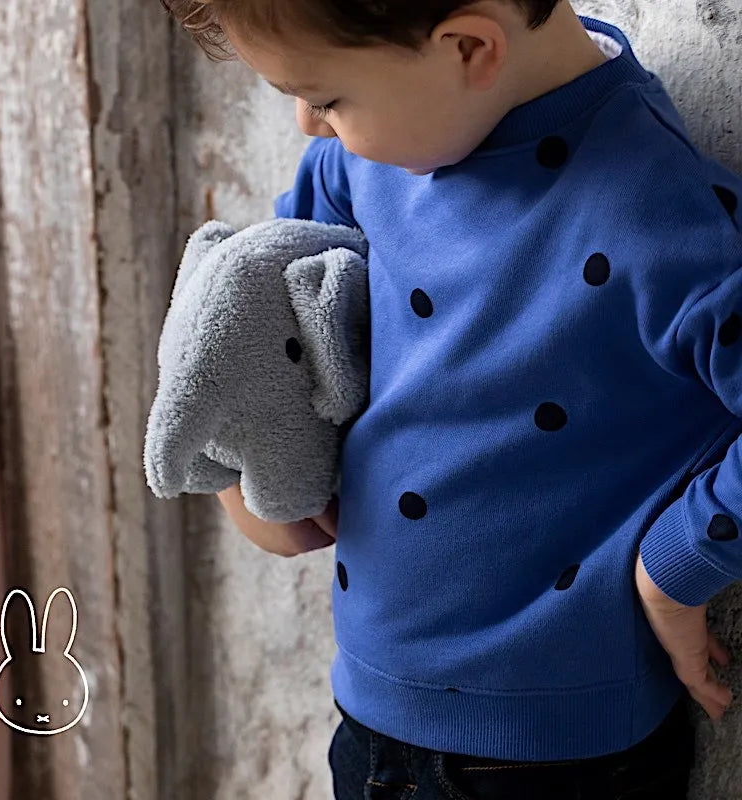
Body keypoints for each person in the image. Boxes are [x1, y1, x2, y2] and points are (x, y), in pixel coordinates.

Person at [159, 1, 742, 797]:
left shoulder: (658, 215)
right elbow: (267, 307)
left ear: (469, 48)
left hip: (552, 761)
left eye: (327, 99)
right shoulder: (368, 161)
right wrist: (256, 471)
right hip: (367, 716)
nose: (308, 125)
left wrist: (677, 566)